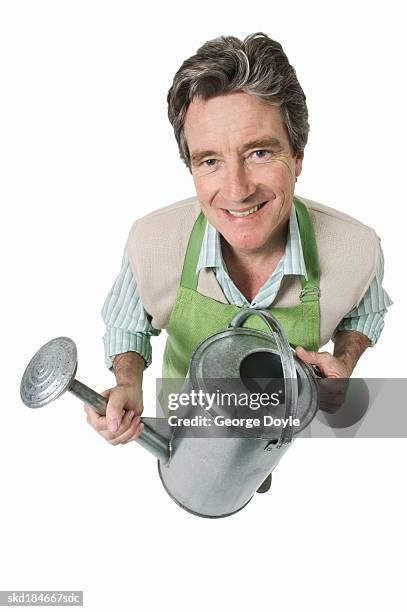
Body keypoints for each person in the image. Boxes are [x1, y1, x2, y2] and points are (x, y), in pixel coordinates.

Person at [84, 32, 392, 492]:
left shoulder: (354, 249)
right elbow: (129, 323)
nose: (236, 190)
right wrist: (128, 381)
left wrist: (345, 360)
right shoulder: (152, 242)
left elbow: (366, 310)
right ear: (189, 165)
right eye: (210, 161)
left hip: (286, 436)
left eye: (259, 152)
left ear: (298, 156)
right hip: (186, 432)